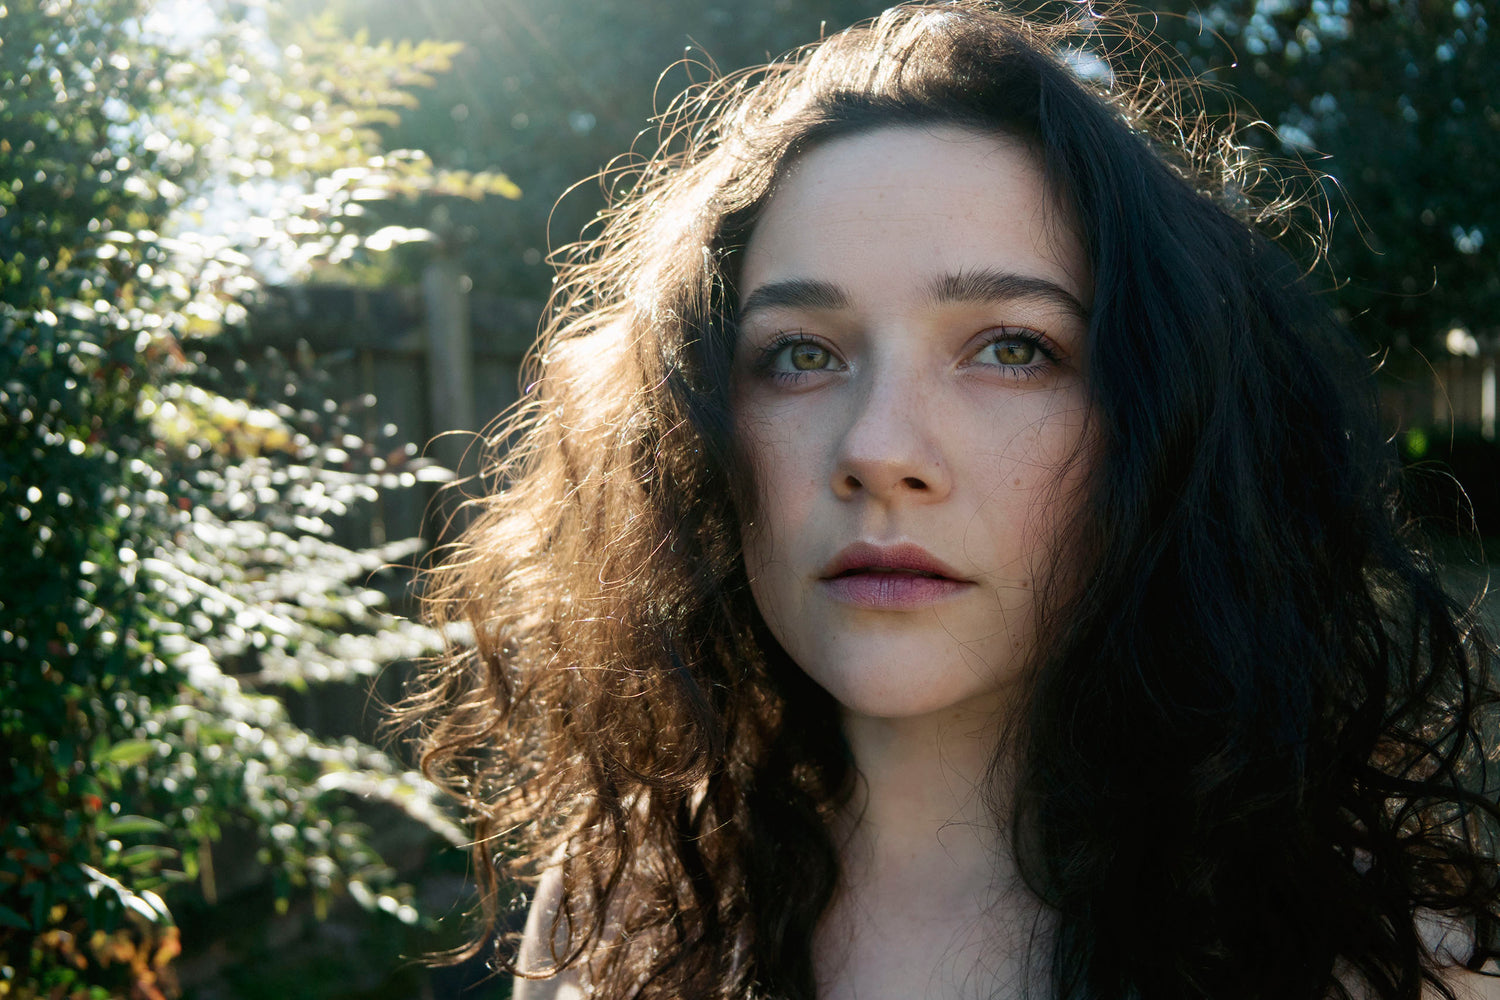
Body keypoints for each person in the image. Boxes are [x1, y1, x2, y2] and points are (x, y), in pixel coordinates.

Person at [398, 3, 1500, 998]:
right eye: (798, 355)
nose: (880, 450)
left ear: (1163, 421)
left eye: (1013, 347)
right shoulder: (622, 900)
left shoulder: (1381, 967)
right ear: (693, 436)